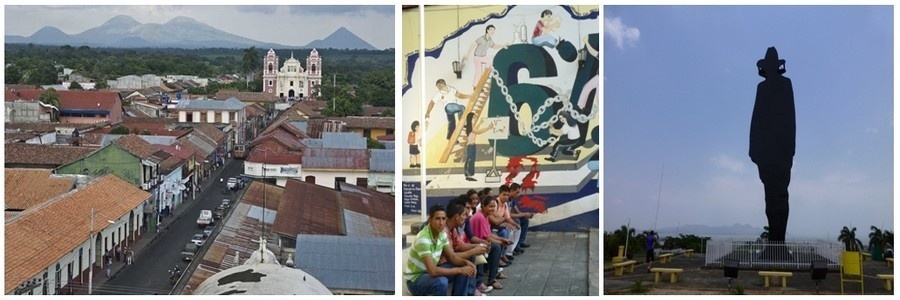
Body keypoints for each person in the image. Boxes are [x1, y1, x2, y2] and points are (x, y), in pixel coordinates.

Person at [750, 47, 795, 246]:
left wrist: (790, 147)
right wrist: (753, 148)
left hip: (782, 148)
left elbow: (791, 118)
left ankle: (780, 242)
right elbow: (756, 118)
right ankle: (774, 244)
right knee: (770, 198)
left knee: (781, 195)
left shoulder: (786, 85)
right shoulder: (761, 88)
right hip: (765, 150)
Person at [405, 204, 477, 296]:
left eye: (443, 219)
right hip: (416, 280)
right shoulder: (423, 238)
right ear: (430, 220)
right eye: (437, 219)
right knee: (442, 282)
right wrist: (459, 270)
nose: (441, 222)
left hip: (430, 274)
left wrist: (466, 263)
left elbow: (452, 257)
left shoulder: (441, 234)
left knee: (466, 269)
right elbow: (433, 271)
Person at [441, 200, 490, 295]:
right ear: (456, 217)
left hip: (448, 260)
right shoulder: (444, 231)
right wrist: (474, 250)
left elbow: (460, 245)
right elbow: (452, 257)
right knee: (465, 266)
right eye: (464, 214)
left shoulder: (452, 228)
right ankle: (470, 292)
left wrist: (477, 246)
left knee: (471, 257)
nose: (466, 217)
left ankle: (471, 290)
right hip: (441, 264)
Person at [470, 195, 512, 290]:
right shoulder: (480, 217)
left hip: (482, 241)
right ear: (483, 206)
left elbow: (488, 234)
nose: (492, 209)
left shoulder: (486, 216)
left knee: (499, 244)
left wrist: (502, 240)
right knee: (496, 247)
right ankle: (490, 279)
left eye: (494, 207)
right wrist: (500, 241)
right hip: (474, 244)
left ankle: (493, 273)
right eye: (490, 206)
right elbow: (486, 237)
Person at [490, 185, 521, 264]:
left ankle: (509, 252)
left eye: (507, 195)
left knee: (517, 228)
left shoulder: (505, 204)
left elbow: (507, 218)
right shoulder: (495, 203)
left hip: (501, 223)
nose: (506, 197)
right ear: (499, 194)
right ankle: (501, 255)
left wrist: (515, 224)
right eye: (504, 194)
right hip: (493, 226)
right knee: (506, 231)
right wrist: (506, 223)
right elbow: (495, 219)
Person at [463, 113, 495, 181]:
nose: (475, 119)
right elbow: (478, 132)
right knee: (470, 160)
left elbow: (476, 129)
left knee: (471, 160)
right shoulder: (470, 127)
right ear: (470, 119)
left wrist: (480, 122)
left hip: (472, 146)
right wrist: (488, 128)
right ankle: (468, 176)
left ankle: (469, 175)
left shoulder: (471, 126)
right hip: (470, 146)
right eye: (474, 118)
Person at [508, 183, 535, 253]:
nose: (518, 194)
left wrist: (525, 214)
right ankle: (515, 246)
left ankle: (520, 242)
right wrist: (524, 214)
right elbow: (508, 215)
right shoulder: (506, 199)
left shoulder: (512, 200)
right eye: (517, 192)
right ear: (511, 190)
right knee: (517, 221)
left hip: (510, 217)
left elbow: (518, 212)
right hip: (506, 219)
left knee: (525, 219)